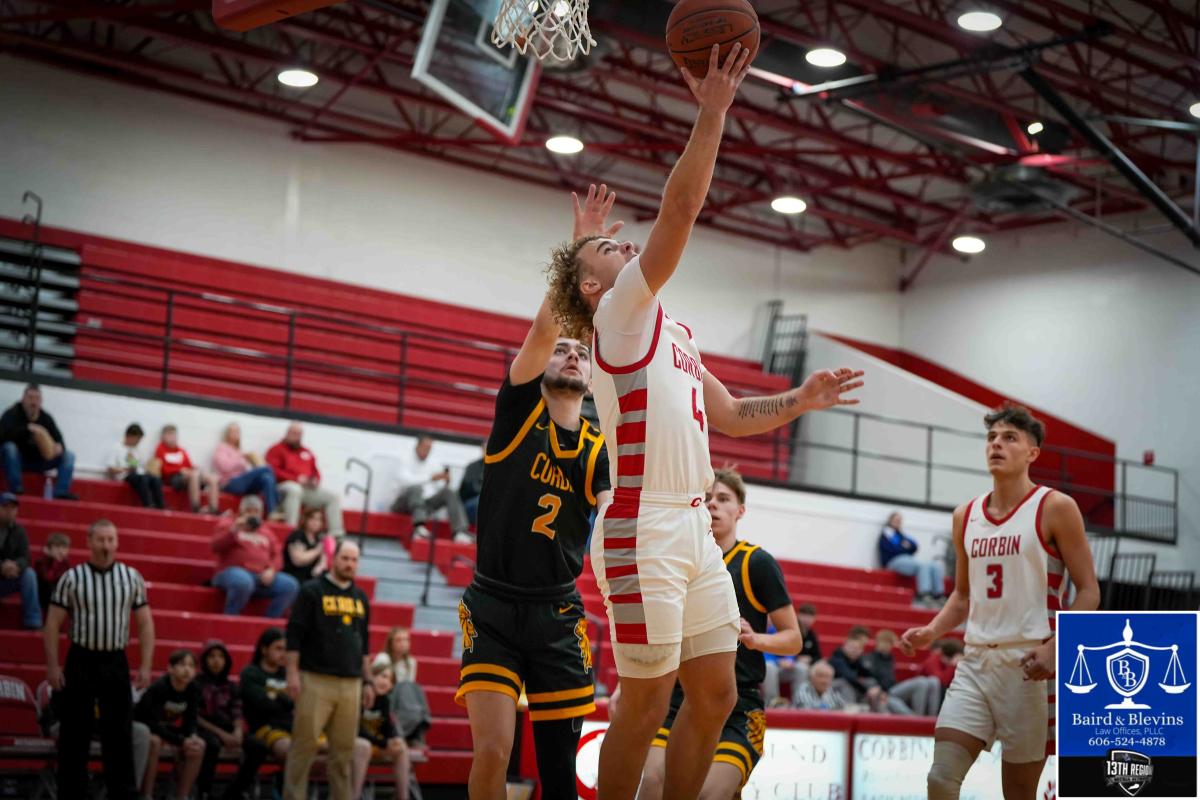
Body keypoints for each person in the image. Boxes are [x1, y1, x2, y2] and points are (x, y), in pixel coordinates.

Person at [545, 46, 863, 800]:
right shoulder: (618, 316)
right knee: (646, 700)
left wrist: (799, 401)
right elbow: (680, 212)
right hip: (641, 523)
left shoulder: (673, 332)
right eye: (610, 248)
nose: (626, 244)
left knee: (716, 695)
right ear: (592, 286)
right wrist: (713, 112)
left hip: (691, 524)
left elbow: (731, 415)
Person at [458, 187, 614, 800]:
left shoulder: (599, 449)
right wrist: (581, 250)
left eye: (582, 352)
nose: (571, 354)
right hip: (492, 605)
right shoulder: (517, 414)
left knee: (558, 775)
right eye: (563, 350)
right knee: (494, 751)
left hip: (558, 613)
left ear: (592, 377)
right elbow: (547, 325)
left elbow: (619, 516)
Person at [899, 405, 1100, 800]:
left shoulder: (1055, 507)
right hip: (975, 661)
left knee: (1018, 793)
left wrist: (1056, 647)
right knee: (941, 778)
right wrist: (931, 631)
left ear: (1032, 453)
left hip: (1030, 664)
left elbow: (1089, 590)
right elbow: (962, 595)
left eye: (1009, 438)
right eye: (991, 438)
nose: (996, 444)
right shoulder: (965, 515)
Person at [640, 469, 801, 799]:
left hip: (739, 706)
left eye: (723, 498)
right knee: (654, 781)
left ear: (740, 510)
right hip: (678, 697)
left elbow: (793, 639)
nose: (713, 504)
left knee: (709, 794)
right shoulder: (680, 561)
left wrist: (756, 639)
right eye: (707, 498)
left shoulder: (756, 562)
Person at [44, 518, 154, 800]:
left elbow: (144, 624)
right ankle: (71, 794)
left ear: (117, 542)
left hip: (115, 660)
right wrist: (53, 666)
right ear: (89, 542)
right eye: (101, 539)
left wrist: (145, 665)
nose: (106, 545)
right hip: (81, 659)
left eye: (111, 539)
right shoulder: (72, 578)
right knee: (74, 733)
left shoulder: (131, 577)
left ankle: (123, 794)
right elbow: (53, 623)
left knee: (119, 733)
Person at [284, 540, 371, 800]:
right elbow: (294, 635)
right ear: (333, 558)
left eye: (354, 560)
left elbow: (364, 643)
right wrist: (292, 673)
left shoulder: (361, 597)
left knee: (343, 754)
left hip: (351, 683)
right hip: (315, 679)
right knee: (303, 748)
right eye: (345, 558)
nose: (350, 564)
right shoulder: (312, 590)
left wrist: (368, 681)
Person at [135, 648, 206, 800]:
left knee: (198, 746)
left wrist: (192, 736)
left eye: (191, 666)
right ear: (170, 668)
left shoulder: (193, 688)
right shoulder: (159, 687)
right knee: (154, 742)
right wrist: (180, 740)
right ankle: (146, 794)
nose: (187, 670)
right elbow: (151, 722)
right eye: (182, 664)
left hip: (164, 728)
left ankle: (182, 795)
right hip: (144, 726)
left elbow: (191, 718)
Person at [211, 495, 300, 617]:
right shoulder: (228, 524)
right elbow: (216, 546)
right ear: (241, 512)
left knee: (290, 585)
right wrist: (234, 529)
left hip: (260, 576)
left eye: (256, 512)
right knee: (243, 581)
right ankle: (231, 617)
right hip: (232, 572)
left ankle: (269, 622)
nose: (253, 515)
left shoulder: (267, 532)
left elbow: (277, 555)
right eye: (249, 511)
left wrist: (271, 570)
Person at [237, 627, 294, 795]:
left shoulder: (289, 674)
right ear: (264, 649)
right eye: (278, 648)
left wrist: (275, 697)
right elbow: (260, 704)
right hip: (263, 728)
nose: (283, 654)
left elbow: (294, 703)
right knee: (291, 751)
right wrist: (284, 700)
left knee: (332, 751)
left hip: (291, 727)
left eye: (286, 649)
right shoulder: (251, 673)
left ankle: (281, 779)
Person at [194, 639, 253, 800]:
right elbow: (195, 716)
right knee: (212, 744)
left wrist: (238, 731)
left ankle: (234, 791)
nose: (216, 660)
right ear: (204, 660)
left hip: (228, 728)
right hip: (205, 729)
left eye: (221, 656)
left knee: (257, 746)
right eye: (211, 656)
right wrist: (223, 735)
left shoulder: (231, 686)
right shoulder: (196, 684)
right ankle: (204, 792)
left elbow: (237, 712)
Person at [266, 422, 345, 537]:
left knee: (333, 497)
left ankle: (336, 535)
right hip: (283, 487)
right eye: (293, 433)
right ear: (287, 433)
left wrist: (315, 480)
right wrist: (296, 478)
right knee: (295, 489)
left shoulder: (307, 452)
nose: (296, 436)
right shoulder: (276, 449)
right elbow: (272, 471)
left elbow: (316, 472)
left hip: (306, 488)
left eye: (298, 434)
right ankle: (291, 531)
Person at [392, 434, 472, 544]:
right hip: (403, 502)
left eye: (429, 448)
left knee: (449, 492)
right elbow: (405, 482)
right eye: (425, 447)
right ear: (417, 445)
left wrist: (445, 481)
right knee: (416, 488)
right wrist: (430, 478)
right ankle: (419, 527)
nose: (427, 451)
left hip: (424, 504)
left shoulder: (434, 462)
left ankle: (459, 532)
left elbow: (438, 486)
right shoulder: (404, 458)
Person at [0, 383, 76, 499]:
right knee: (9, 448)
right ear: (23, 399)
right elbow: (3, 437)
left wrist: (59, 447)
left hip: (40, 461)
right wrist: (26, 429)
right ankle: (16, 488)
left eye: (37, 399)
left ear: (41, 401)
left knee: (69, 455)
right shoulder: (11, 414)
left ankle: (61, 492)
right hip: (17, 461)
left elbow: (59, 440)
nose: (33, 402)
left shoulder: (46, 418)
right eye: (30, 398)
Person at [352, 663, 411, 800]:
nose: (385, 682)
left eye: (390, 680)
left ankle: (403, 797)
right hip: (354, 742)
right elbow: (356, 730)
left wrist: (394, 738)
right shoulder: (358, 695)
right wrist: (384, 742)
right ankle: (354, 795)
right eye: (383, 676)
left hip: (374, 743)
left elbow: (388, 728)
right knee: (364, 746)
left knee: (401, 746)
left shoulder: (384, 701)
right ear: (371, 677)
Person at [373, 628, 431, 746]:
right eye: (399, 640)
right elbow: (377, 681)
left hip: (402, 701)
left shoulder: (411, 662)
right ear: (391, 643)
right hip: (385, 695)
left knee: (416, 688)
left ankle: (417, 725)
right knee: (408, 687)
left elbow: (409, 690)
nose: (403, 643)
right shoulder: (383, 657)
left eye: (406, 640)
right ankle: (418, 728)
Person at [864, 629, 941, 716]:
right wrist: (880, 690)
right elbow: (869, 678)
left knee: (933, 681)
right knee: (921, 682)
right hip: (884, 691)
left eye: (890, 644)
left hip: (892, 688)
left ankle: (932, 716)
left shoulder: (889, 658)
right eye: (887, 643)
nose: (888, 646)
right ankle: (919, 717)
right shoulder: (871, 658)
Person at [880, 511, 946, 607]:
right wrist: (904, 547)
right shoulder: (887, 533)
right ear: (890, 520)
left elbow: (914, 546)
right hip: (893, 561)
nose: (898, 522)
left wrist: (904, 546)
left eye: (899, 520)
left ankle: (938, 594)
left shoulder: (901, 534)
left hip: (907, 559)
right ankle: (924, 593)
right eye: (896, 520)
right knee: (922, 565)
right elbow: (894, 549)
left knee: (934, 565)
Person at [214, 422, 280, 517]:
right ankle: (278, 501)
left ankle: (272, 512)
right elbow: (225, 467)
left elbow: (243, 471)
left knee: (267, 478)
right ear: (227, 434)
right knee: (266, 469)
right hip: (229, 483)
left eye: (237, 432)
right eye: (232, 432)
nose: (235, 434)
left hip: (242, 483)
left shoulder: (239, 451)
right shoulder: (222, 448)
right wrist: (241, 459)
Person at [764, 602, 820, 707]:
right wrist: (778, 661)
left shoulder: (783, 629)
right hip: (767, 666)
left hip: (783, 666)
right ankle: (773, 702)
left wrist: (789, 660)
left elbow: (792, 647)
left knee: (802, 668)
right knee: (770, 667)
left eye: (771, 616)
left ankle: (800, 701)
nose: (769, 619)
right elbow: (760, 651)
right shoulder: (758, 629)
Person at [156, 424, 221, 514]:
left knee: (212, 478)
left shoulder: (181, 451)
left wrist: (196, 469)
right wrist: (180, 470)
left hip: (187, 475)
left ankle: (214, 509)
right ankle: (196, 508)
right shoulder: (160, 449)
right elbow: (163, 469)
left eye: (173, 435)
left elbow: (189, 466)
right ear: (163, 436)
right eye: (169, 434)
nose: (172, 438)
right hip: (173, 477)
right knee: (194, 475)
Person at [0, 492, 40, 628]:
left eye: (13, 508)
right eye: (5, 507)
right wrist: (2, 566)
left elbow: (25, 558)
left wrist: (16, 566)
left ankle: (33, 620)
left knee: (29, 574)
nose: (9, 511)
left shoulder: (19, 531)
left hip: (8, 577)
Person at [829, 625, 890, 713]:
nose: (854, 650)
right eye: (851, 647)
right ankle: (850, 710)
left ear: (861, 651)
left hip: (852, 689)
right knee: (845, 683)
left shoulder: (856, 660)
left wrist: (877, 687)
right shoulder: (837, 658)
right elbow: (848, 677)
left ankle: (878, 714)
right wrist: (867, 690)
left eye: (857, 648)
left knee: (871, 682)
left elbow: (870, 674)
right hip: (833, 691)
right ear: (844, 646)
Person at [107, 423, 164, 509]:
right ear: (129, 436)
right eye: (137, 439)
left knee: (155, 479)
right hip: (124, 475)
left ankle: (160, 505)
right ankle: (148, 504)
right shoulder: (117, 448)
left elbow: (139, 466)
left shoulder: (136, 450)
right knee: (142, 478)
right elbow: (110, 468)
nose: (138, 442)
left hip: (137, 474)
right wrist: (125, 469)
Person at [282, 508, 329, 585]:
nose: (316, 522)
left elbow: (323, 562)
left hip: (311, 579)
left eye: (319, 520)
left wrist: (320, 568)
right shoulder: (297, 536)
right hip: (293, 576)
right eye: (312, 518)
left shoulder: (319, 539)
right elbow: (298, 560)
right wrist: (317, 550)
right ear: (305, 519)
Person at [33, 530, 70, 614]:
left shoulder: (65, 564)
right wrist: (54, 561)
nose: (61, 551)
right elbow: (47, 578)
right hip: (43, 594)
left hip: (57, 595)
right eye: (57, 547)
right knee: (49, 588)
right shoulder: (41, 562)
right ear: (48, 549)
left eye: (64, 548)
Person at [458, 444, 485, 526]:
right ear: (482, 450)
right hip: (468, 503)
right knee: (482, 500)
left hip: (484, 501)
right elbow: (468, 488)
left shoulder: (496, 468)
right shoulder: (472, 466)